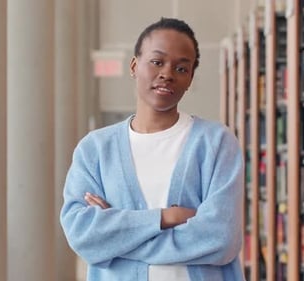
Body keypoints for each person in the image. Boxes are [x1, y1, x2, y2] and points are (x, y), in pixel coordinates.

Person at [60, 17, 244, 281]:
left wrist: (117, 238)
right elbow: (82, 234)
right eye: (157, 62)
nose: (167, 74)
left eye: (182, 68)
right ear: (134, 66)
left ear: (190, 78)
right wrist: (166, 217)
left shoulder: (216, 143)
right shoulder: (96, 150)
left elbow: (221, 238)